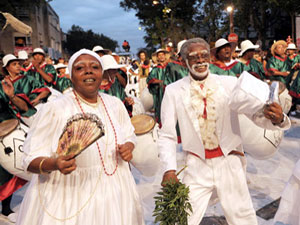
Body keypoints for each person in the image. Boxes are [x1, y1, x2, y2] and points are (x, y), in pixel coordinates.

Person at [158, 38, 290, 225]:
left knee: (243, 218)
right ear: (183, 60)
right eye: (194, 57)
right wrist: (169, 170)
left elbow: (255, 115)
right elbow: (167, 135)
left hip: (230, 161)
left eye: (204, 55)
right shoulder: (173, 91)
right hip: (196, 164)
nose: (200, 60)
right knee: (182, 218)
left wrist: (278, 119)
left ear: (210, 58)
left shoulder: (229, 83)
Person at [16, 49, 144, 225]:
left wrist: (128, 147)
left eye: (94, 67)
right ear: (71, 76)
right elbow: (29, 160)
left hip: (115, 190)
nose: (89, 71)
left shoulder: (115, 104)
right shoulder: (55, 109)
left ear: (102, 73)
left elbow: (129, 135)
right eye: (80, 68)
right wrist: (54, 164)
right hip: (69, 194)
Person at [0, 54, 48, 222]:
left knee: (11, 173)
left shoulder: (4, 85)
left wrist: (12, 96)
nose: (18, 66)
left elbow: (24, 107)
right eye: (13, 64)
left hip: (11, 128)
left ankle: (6, 209)